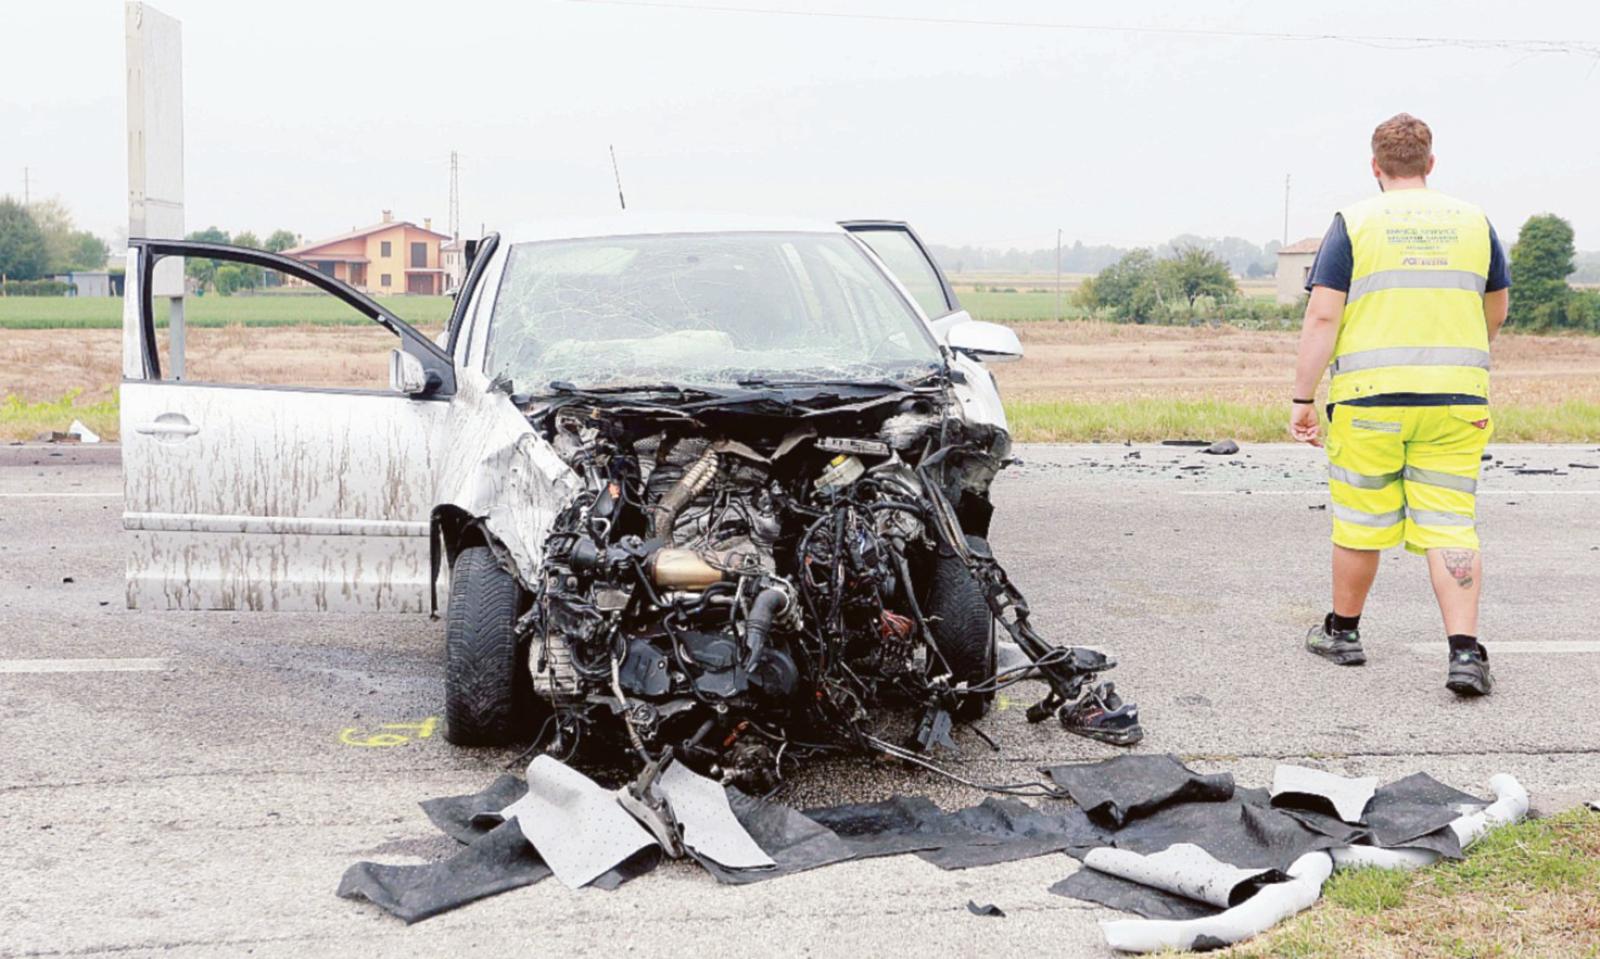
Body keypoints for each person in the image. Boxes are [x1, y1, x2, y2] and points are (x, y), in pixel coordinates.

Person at [1289, 113, 1510, 696]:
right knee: (1451, 522)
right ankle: (1465, 654)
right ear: (1431, 163)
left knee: (1360, 521)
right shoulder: (1474, 222)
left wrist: (1303, 396)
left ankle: (1344, 634)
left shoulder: (1354, 224)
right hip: (1457, 402)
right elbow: (1497, 308)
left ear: (1375, 166)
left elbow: (1322, 314)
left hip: (1370, 402)